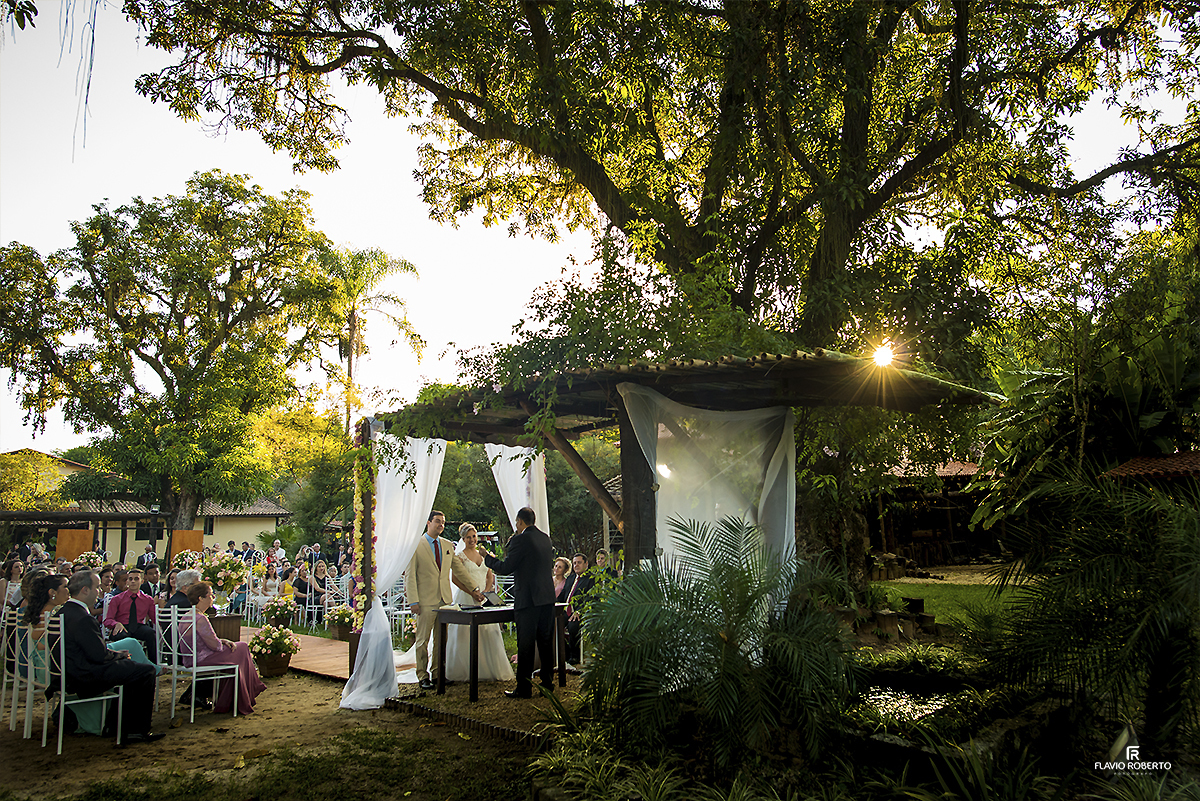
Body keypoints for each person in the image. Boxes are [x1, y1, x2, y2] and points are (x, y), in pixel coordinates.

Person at [57, 570, 164, 743]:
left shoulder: (63, 612)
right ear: (85, 590)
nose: (99, 591)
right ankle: (134, 730)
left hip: (69, 670)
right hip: (82, 675)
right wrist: (119, 655)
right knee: (145, 671)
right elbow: (98, 655)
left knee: (131, 668)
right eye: (96, 587)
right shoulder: (83, 617)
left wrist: (117, 656)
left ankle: (114, 724)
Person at [481, 506, 556, 699]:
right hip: (547, 597)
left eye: (516, 522)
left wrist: (487, 558)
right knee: (545, 642)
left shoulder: (520, 540)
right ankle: (548, 683)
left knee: (526, 644)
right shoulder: (545, 539)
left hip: (528, 599)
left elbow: (506, 567)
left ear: (520, 521)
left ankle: (524, 687)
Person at [406, 510, 482, 691]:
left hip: (444, 600)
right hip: (425, 600)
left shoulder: (447, 545)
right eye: (438, 521)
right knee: (422, 640)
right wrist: (413, 601)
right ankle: (422, 675)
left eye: (443, 522)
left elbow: (459, 570)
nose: (441, 525)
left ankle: (438, 673)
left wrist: (474, 588)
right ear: (428, 523)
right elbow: (410, 575)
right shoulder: (416, 544)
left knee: (441, 639)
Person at [179, 581, 267, 713]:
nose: (213, 597)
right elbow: (215, 646)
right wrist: (222, 642)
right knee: (242, 647)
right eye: (210, 595)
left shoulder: (187, 615)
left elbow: (203, 641)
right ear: (200, 598)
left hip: (191, 657)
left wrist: (223, 641)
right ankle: (251, 689)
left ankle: (238, 695)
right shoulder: (200, 618)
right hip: (202, 659)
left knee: (238, 652)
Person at [444, 524, 515, 683]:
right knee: (465, 633)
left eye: (474, 536)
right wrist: (472, 592)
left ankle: (489, 668)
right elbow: (455, 578)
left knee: (488, 630)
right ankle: (465, 669)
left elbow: (490, 576)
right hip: (467, 597)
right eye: (468, 537)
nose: (472, 540)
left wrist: (486, 591)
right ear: (463, 539)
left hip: (483, 598)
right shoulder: (460, 557)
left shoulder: (483, 555)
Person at [104, 568, 158, 662]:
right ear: (127, 581)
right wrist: (115, 624)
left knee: (151, 634)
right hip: (122, 626)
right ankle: (125, 664)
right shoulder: (117, 599)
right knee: (122, 636)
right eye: (130, 579)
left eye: (136, 579)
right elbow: (107, 620)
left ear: (142, 581)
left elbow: (155, 619)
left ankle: (152, 664)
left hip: (138, 626)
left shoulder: (148, 600)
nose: (133, 581)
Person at [562, 553, 595, 665]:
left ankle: (575, 656)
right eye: (574, 563)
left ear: (586, 564)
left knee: (573, 626)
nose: (576, 565)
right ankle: (565, 653)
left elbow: (591, 599)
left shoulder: (591, 579)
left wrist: (579, 611)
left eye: (579, 563)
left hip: (580, 612)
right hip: (565, 611)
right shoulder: (570, 578)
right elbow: (563, 595)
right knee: (551, 625)